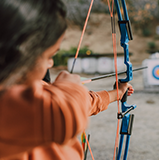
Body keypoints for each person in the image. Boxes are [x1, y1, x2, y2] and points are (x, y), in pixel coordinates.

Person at [0, 0, 134, 159]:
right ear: (21, 53)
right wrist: (69, 86)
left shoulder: (35, 93)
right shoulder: (9, 105)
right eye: (49, 56)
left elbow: (85, 102)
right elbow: (64, 111)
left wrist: (117, 93)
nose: (50, 64)